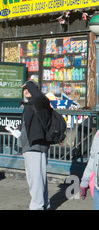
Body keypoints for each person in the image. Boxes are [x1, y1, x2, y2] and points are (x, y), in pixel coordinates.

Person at [20, 80, 52, 210]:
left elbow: (38, 96)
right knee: (38, 178)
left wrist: (30, 85)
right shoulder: (30, 105)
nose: (26, 90)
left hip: (35, 146)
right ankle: (44, 204)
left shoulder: (40, 102)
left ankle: (37, 206)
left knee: (36, 179)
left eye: (29, 88)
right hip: (30, 146)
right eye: (25, 89)